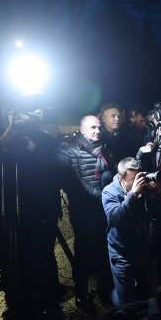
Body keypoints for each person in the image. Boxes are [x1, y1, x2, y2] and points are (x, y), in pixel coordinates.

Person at [57, 115, 112, 307]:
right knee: (84, 251)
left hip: (102, 207)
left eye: (98, 127)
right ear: (81, 130)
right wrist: (100, 194)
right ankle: (82, 292)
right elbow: (73, 182)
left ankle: (105, 290)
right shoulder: (70, 152)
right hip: (83, 210)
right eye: (92, 128)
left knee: (104, 249)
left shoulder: (105, 148)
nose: (97, 131)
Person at [102, 157, 161, 320]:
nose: (138, 182)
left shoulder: (144, 187)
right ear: (121, 179)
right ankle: (109, 291)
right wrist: (132, 195)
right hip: (122, 252)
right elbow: (115, 218)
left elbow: (159, 213)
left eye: (139, 177)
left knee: (151, 297)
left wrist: (156, 194)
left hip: (144, 247)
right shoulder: (109, 192)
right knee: (127, 305)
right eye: (133, 179)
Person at [98, 103, 133, 172]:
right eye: (113, 116)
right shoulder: (98, 136)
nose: (117, 119)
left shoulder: (126, 135)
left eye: (119, 116)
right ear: (103, 119)